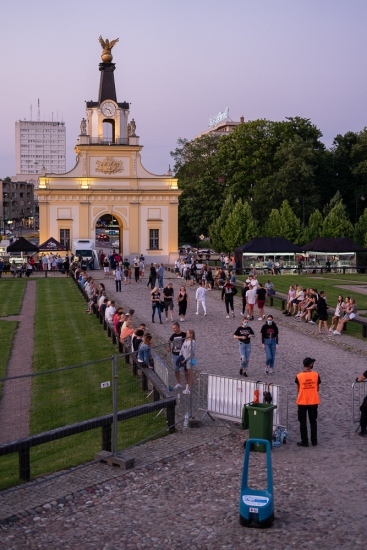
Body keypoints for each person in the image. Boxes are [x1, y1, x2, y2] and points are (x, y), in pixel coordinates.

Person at [295, 357, 321, 447]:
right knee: (313, 421)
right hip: (313, 401)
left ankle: (305, 441)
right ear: (310, 365)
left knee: (302, 422)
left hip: (302, 401)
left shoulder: (299, 376)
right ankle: (314, 441)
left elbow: (298, 389)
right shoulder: (316, 375)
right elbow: (317, 388)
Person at [167, 322, 187, 389]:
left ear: (178, 327)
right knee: (176, 370)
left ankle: (187, 384)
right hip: (174, 354)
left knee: (185, 370)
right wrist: (169, 346)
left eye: (175, 328)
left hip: (182, 355)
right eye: (173, 328)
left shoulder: (184, 334)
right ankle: (178, 383)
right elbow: (169, 341)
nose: (174, 329)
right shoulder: (173, 335)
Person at [180, 329, 196, 394]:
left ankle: (190, 387)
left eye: (188, 333)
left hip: (191, 359)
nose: (187, 335)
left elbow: (191, 353)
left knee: (190, 373)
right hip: (185, 358)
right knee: (186, 373)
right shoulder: (185, 341)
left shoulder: (193, 342)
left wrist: (185, 359)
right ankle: (187, 385)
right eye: (186, 333)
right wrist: (180, 356)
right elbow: (182, 349)